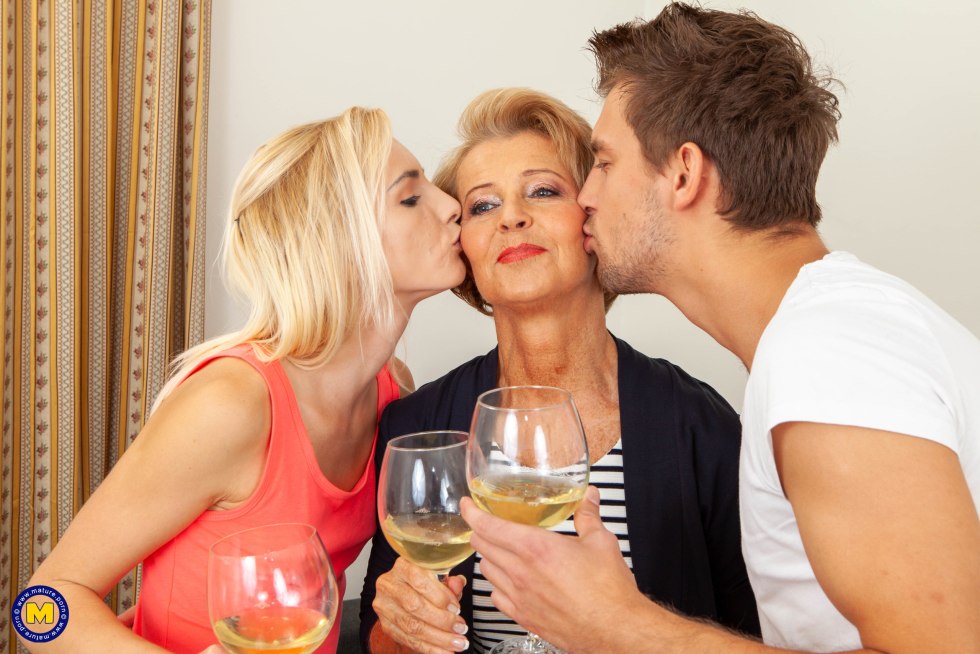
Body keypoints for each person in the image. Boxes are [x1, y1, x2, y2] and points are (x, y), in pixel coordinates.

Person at [460, 5, 980, 653]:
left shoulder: (830, 358)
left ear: (683, 173)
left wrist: (616, 625)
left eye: (605, 162)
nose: (586, 196)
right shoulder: (830, 336)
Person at [20, 107, 466, 653]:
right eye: (411, 198)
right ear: (338, 243)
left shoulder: (391, 389)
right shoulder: (232, 403)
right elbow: (40, 609)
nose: (452, 206)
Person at [359, 88, 760, 654]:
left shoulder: (700, 426)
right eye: (482, 205)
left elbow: (758, 633)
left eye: (543, 191)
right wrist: (401, 627)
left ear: (593, 221)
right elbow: (378, 642)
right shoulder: (416, 424)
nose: (512, 217)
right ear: (463, 248)